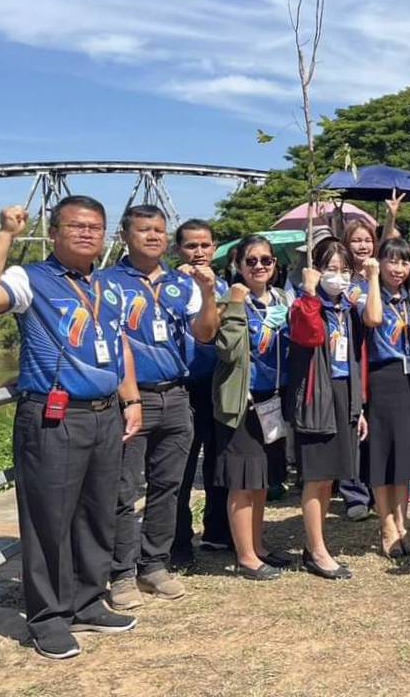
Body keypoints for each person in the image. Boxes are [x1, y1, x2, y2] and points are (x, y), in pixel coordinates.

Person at [0, 198, 142, 659]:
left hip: (105, 413)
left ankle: (88, 601)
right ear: (54, 232)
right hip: (54, 416)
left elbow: (118, 343)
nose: (86, 233)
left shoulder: (107, 284)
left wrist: (131, 399)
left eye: (95, 227)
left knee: (98, 514)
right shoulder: (31, 279)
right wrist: (6, 234)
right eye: (75, 226)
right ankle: (49, 618)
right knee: (50, 521)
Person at [103, 206, 219, 609]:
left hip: (176, 394)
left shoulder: (180, 282)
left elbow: (204, 334)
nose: (153, 236)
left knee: (168, 487)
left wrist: (208, 293)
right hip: (130, 398)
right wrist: (129, 398)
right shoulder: (106, 282)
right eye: (144, 229)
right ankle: (120, 573)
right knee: (123, 490)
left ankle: (154, 564)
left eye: (159, 230)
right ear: (124, 236)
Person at [287, 241, 369, 579]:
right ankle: (316, 551)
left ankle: (316, 544)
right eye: (331, 269)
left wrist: (359, 407)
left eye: (344, 270)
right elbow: (309, 336)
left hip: (343, 394)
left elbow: (356, 358)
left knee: (329, 478)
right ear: (316, 271)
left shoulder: (347, 309)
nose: (339, 276)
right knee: (317, 476)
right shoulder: (305, 305)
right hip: (316, 396)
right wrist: (308, 293)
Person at [213, 236, 293, 580]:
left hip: (273, 398)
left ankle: (258, 545)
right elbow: (227, 350)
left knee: (261, 479)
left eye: (266, 260)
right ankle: (245, 556)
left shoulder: (282, 299)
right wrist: (234, 305)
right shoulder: (230, 300)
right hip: (242, 402)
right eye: (251, 261)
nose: (259, 266)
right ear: (238, 264)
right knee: (243, 480)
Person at [359, 238, 410, 558]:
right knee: (381, 454)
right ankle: (386, 524)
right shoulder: (366, 292)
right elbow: (373, 319)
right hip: (381, 378)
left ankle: (403, 524)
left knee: (404, 455)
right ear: (379, 263)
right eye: (391, 261)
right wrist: (373, 278)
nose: (399, 268)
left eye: (404, 262)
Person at [171, 219, 232, 568]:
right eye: (191, 245)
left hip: (218, 383)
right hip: (183, 385)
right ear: (178, 249)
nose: (198, 252)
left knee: (219, 461)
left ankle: (218, 531)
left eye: (205, 245)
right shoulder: (168, 285)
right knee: (181, 467)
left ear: (215, 248)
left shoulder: (222, 286)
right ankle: (178, 543)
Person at [338, 217, 378, 520]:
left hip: (378, 356)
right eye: (356, 240)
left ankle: (377, 487)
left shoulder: (381, 275)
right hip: (350, 355)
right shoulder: (342, 279)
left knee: (375, 424)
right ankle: (353, 493)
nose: (363, 246)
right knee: (353, 424)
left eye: (367, 240)